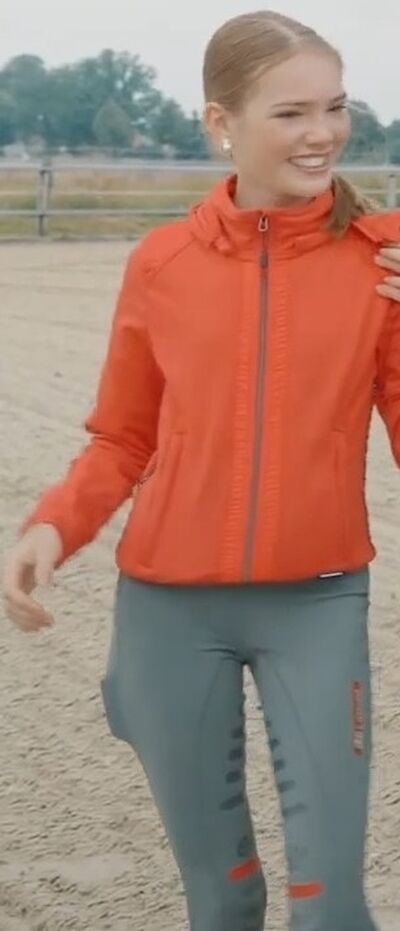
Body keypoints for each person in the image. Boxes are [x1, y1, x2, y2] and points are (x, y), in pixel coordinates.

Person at [3, 10, 400, 931]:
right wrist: (51, 525)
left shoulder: (379, 264)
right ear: (221, 122)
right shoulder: (162, 263)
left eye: (335, 107)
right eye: (292, 112)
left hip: (317, 604)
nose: (323, 133)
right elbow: (121, 437)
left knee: (331, 906)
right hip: (168, 615)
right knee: (220, 898)